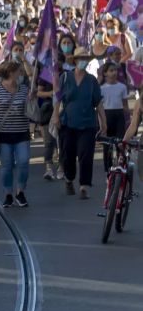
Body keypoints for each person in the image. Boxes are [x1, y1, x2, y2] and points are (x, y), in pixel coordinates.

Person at [54, 48, 107, 199]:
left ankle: (84, 186)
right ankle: (69, 179)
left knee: (86, 155)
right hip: (68, 123)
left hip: (88, 124)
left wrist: (104, 122)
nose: (83, 61)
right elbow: (58, 99)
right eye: (80, 58)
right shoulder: (65, 77)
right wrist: (56, 116)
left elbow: (98, 103)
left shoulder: (92, 80)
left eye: (86, 59)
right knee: (68, 155)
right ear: (75, 61)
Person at [0, 61, 32, 208]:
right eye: (18, 71)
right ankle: (8, 194)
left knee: (23, 162)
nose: (20, 73)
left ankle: (20, 191)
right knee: (7, 165)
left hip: (21, 132)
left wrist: (32, 99)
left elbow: (30, 107)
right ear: (11, 72)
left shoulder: (24, 89)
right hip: (3, 134)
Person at [99, 61, 129, 173]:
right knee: (107, 145)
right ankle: (107, 170)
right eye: (111, 70)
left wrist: (128, 119)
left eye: (115, 70)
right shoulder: (102, 89)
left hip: (119, 116)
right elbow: (99, 107)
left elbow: (125, 105)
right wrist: (101, 123)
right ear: (105, 73)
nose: (114, 72)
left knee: (120, 143)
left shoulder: (122, 87)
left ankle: (121, 166)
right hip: (107, 116)